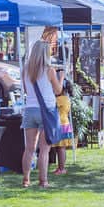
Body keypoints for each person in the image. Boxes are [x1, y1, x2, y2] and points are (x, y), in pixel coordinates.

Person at [21, 38, 64, 189]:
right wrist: (61, 78)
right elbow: (59, 91)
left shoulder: (26, 69)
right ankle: (43, 181)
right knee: (44, 149)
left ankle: (26, 180)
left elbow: (26, 91)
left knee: (29, 148)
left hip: (30, 110)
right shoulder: (50, 70)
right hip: (47, 111)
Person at [53, 78, 74, 175]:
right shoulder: (66, 98)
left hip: (61, 125)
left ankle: (62, 168)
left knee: (61, 148)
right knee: (60, 148)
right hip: (64, 124)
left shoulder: (60, 99)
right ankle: (60, 167)